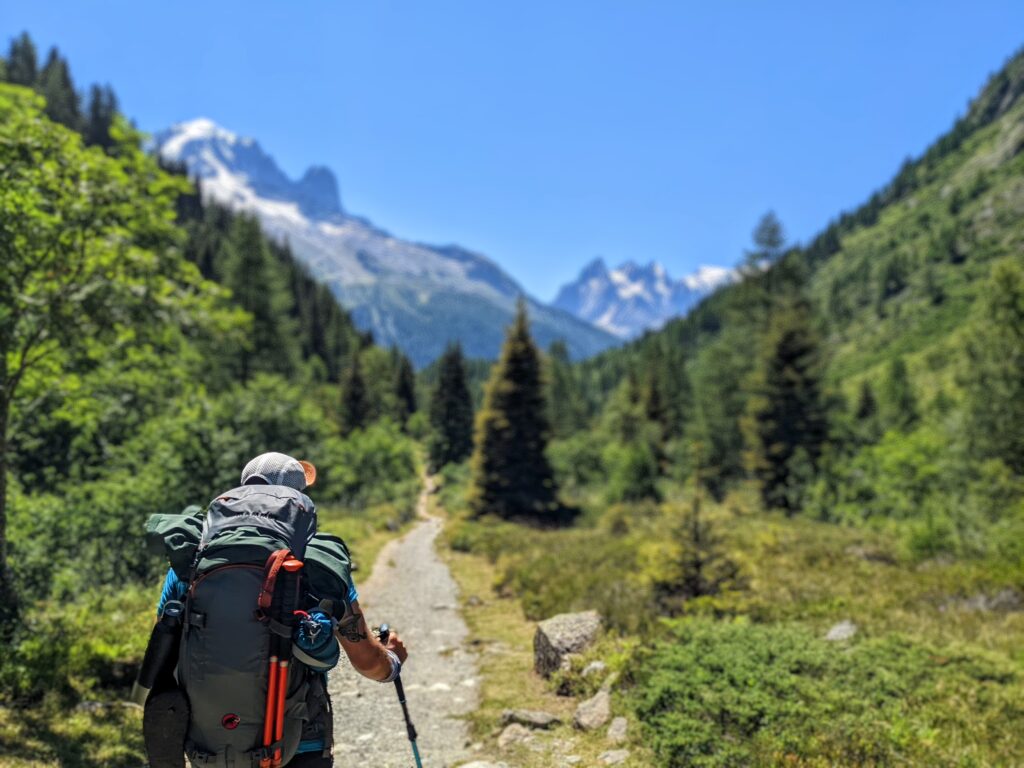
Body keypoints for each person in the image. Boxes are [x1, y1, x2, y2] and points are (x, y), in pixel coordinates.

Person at [148, 452, 408, 768]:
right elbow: (367, 661)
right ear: (297, 499)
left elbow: (166, 653)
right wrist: (392, 660)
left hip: (211, 746)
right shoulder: (319, 562)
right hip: (299, 742)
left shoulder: (191, 563)